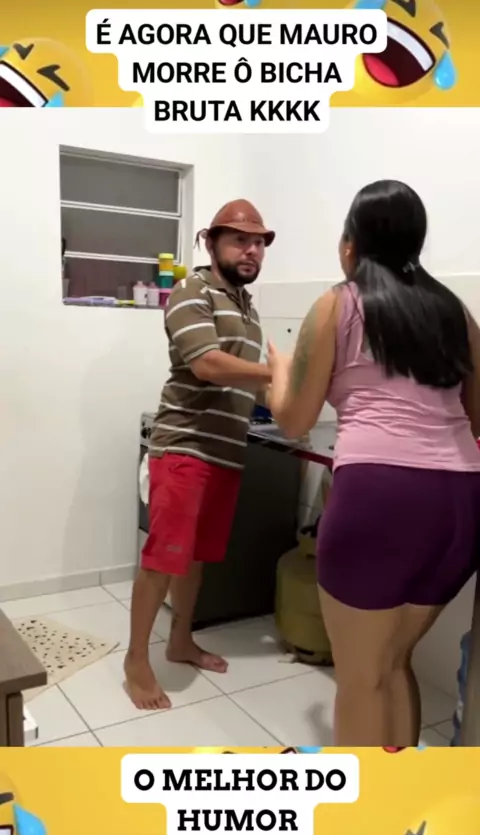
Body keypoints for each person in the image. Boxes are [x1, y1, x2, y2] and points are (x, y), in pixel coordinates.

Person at [266, 179, 480, 747]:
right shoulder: (453, 311)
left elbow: (294, 419)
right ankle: (401, 795)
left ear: (349, 246)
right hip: (461, 503)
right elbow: (478, 417)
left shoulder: (338, 303)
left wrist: (279, 372)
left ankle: (361, 801)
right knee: (394, 663)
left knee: (360, 680)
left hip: (380, 499)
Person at [125, 199, 274, 710]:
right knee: (163, 559)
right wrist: (281, 372)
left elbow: (250, 383)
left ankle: (181, 640)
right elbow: (208, 364)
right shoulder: (193, 290)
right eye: (239, 240)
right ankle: (135, 661)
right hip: (185, 445)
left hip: (225, 452)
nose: (251, 250)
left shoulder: (248, 308)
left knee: (194, 559)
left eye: (258, 242)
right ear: (211, 244)